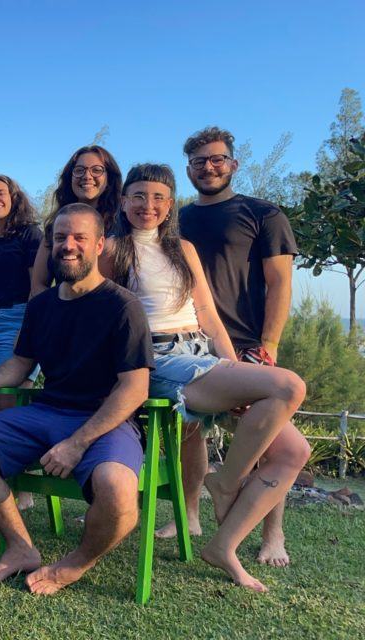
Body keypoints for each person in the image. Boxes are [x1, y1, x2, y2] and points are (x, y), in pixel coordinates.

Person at [102, 163, 309, 592]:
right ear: (123, 202)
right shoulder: (113, 250)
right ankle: (227, 481)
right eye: (138, 195)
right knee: (290, 385)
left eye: (159, 197)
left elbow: (210, 318)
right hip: (157, 358)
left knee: (293, 451)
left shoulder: (184, 249)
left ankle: (224, 543)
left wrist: (238, 372)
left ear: (169, 204)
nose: (148, 205)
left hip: (202, 351)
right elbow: (100, 320)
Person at [0, 203, 155, 595]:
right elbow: (22, 361)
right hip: (46, 412)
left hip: (103, 419)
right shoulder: (41, 305)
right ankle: (21, 546)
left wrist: (78, 444)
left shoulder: (122, 306)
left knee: (117, 488)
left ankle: (75, 564)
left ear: (99, 245)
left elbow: (135, 388)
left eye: (79, 237)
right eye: (61, 238)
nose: (69, 246)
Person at [157, 126, 301, 569]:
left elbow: (279, 284)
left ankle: (271, 533)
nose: (209, 167)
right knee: (190, 431)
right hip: (193, 345)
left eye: (218, 159)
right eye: (200, 161)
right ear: (189, 169)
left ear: (233, 164)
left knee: (270, 442)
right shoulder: (177, 221)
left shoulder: (263, 214)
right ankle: (192, 514)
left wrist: (268, 345)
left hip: (247, 344)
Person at [0, 174, 42, 384]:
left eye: (0, 193)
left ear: (14, 198)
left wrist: (27, 330)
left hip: (16, 320)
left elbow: (37, 287)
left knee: (5, 397)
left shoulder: (29, 234)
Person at [30, 145, 123, 294]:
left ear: (109, 179)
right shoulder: (55, 226)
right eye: (80, 170)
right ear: (70, 178)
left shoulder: (124, 225)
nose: (87, 176)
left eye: (96, 170)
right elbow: (38, 285)